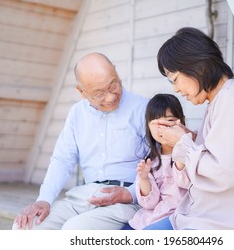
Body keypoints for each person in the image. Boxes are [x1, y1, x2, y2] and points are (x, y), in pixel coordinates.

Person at [144, 27, 234, 230]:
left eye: (175, 79)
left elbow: (225, 172)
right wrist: (189, 137)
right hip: (199, 217)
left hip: (220, 225)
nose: (175, 89)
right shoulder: (221, 99)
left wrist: (182, 143)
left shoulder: (232, 98)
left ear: (198, 66)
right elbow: (222, 152)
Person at [13, 52, 149, 230]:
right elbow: (62, 160)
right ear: (81, 92)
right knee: (25, 227)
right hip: (84, 197)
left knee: (74, 230)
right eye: (99, 93)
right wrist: (44, 200)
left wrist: (129, 194)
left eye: (113, 84)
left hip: (127, 201)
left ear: (115, 71)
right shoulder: (77, 113)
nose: (110, 97)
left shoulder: (145, 109)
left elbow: (159, 165)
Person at [125, 94, 191, 230]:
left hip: (177, 216)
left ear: (181, 121)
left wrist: (181, 145)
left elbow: (185, 182)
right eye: (156, 123)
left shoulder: (190, 149)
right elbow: (149, 204)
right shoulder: (151, 161)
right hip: (148, 218)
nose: (162, 128)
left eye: (169, 121)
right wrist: (144, 179)